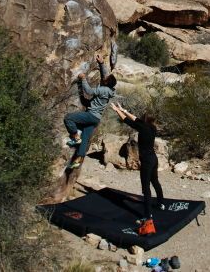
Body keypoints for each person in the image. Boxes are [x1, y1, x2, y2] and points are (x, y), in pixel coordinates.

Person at [110, 101, 165, 235]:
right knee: (155, 181)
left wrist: (117, 110)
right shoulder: (152, 127)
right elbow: (135, 119)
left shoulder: (142, 128)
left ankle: (148, 216)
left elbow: (126, 120)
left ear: (144, 119)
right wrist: (124, 109)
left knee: (145, 188)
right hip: (153, 158)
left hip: (146, 161)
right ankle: (161, 203)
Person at [63, 53, 116, 170]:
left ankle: (75, 136)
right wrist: (101, 63)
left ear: (106, 83)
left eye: (105, 79)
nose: (104, 78)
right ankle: (79, 159)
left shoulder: (102, 89)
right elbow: (105, 75)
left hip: (91, 115)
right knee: (85, 138)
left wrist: (83, 79)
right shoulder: (110, 90)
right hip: (96, 119)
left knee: (68, 118)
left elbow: (89, 91)